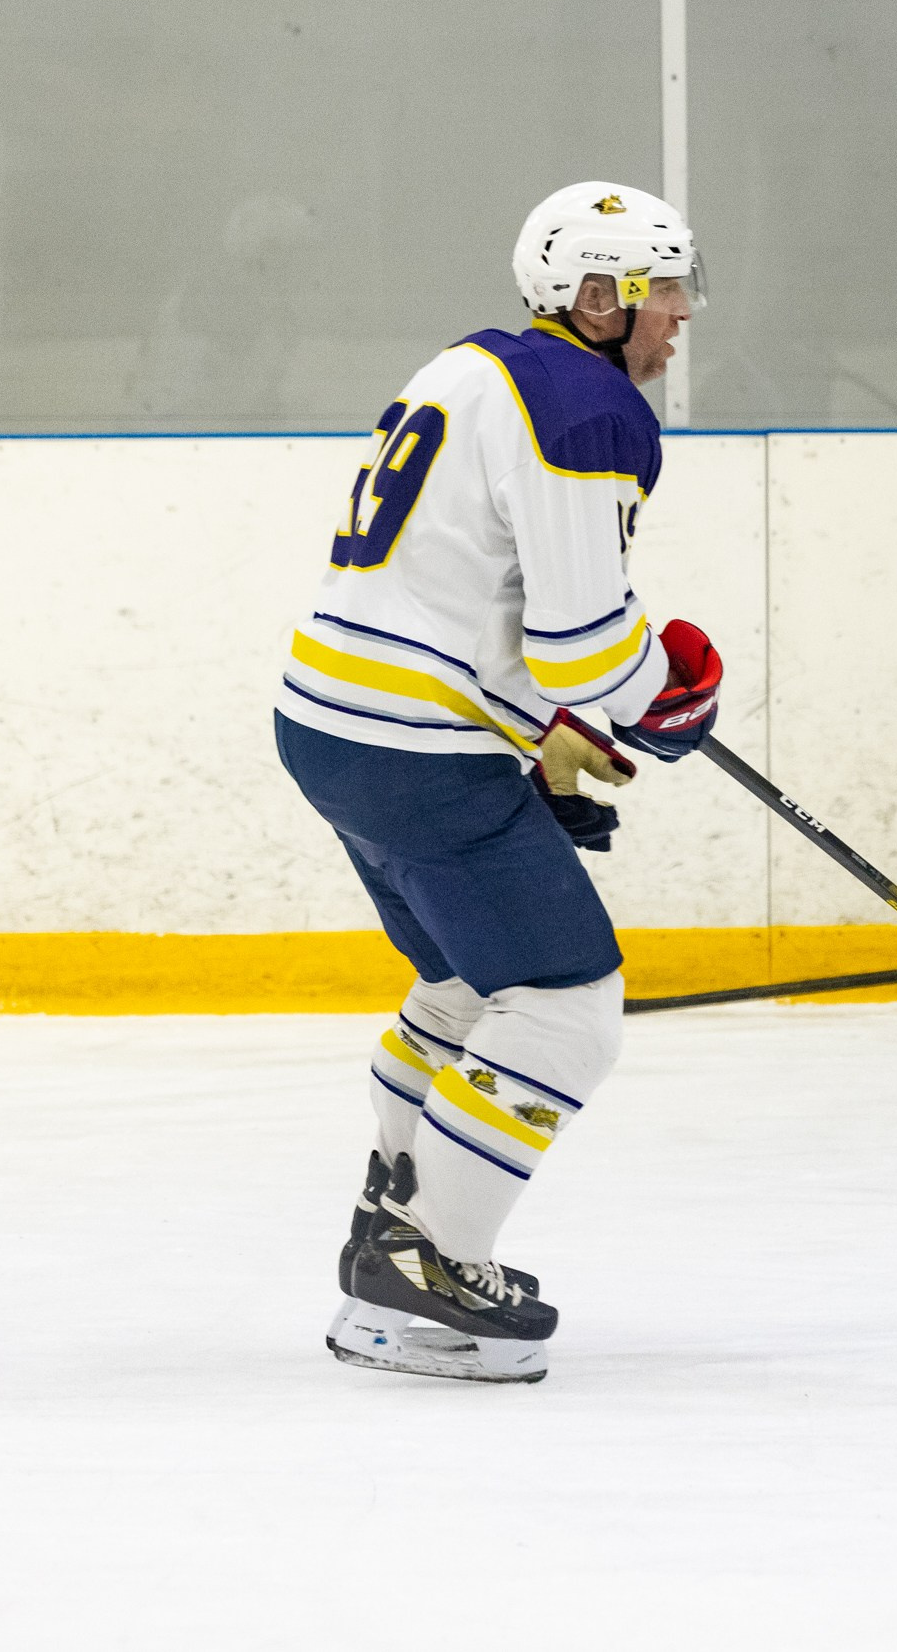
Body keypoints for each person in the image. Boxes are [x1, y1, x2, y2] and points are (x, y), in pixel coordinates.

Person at [275, 182, 724, 1383]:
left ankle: (390, 1232)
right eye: (664, 285)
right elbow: (584, 641)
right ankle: (427, 1263)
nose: (682, 312)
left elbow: (464, 588)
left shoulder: (472, 366)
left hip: (333, 723)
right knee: (567, 1005)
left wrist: (541, 737)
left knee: (471, 985)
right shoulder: (590, 406)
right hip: (418, 745)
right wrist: (665, 697)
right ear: (597, 297)